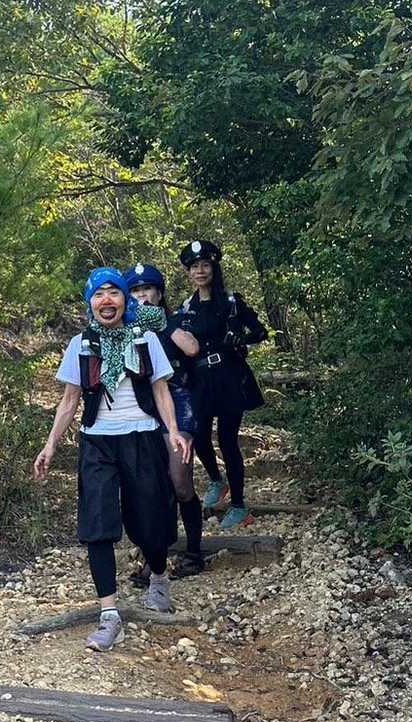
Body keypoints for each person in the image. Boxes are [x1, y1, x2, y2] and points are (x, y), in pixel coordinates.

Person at [33, 268, 191, 649]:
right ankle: (109, 615)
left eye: (114, 293)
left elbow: (161, 391)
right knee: (98, 524)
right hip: (97, 442)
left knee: (150, 522)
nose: (107, 300)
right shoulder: (81, 344)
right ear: (90, 302)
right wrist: (50, 445)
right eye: (99, 294)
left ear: (124, 300)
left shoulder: (146, 339)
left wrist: (172, 430)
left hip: (142, 437)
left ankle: (158, 577)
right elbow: (69, 400)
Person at [177, 240, 268, 529]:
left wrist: (240, 339)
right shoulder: (186, 308)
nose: (200, 271)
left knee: (228, 440)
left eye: (205, 265)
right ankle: (217, 480)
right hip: (200, 381)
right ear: (189, 272)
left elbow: (260, 332)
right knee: (200, 435)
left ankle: (238, 505)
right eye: (194, 267)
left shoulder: (231, 302)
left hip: (229, 377)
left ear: (214, 267)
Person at [124, 263, 207, 570]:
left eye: (147, 289)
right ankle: (155, 558)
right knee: (153, 485)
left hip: (178, 400)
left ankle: (194, 551)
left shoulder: (173, 322)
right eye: (135, 290)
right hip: (141, 404)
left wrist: (162, 323)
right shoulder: (124, 329)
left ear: (159, 293)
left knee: (180, 480)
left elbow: (192, 348)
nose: (141, 295)